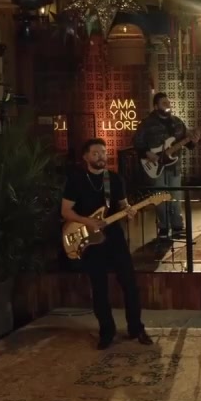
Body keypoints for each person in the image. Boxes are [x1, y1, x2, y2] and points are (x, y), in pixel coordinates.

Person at [61, 139, 152, 350]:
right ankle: (107, 332)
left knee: (130, 283)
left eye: (103, 152)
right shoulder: (76, 180)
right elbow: (66, 211)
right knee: (99, 287)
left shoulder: (114, 179)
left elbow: (123, 205)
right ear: (85, 157)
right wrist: (87, 221)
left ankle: (136, 328)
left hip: (114, 237)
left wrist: (129, 211)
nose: (101, 156)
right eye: (95, 153)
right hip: (90, 240)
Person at [133, 93, 198, 241]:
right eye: (164, 103)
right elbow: (137, 142)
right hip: (155, 166)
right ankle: (163, 227)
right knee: (160, 198)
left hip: (174, 166)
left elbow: (187, 143)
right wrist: (147, 153)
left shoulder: (177, 122)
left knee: (176, 197)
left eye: (168, 103)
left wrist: (193, 141)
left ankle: (177, 227)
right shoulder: (147, 124)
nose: (168, 105)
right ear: (156, 106)